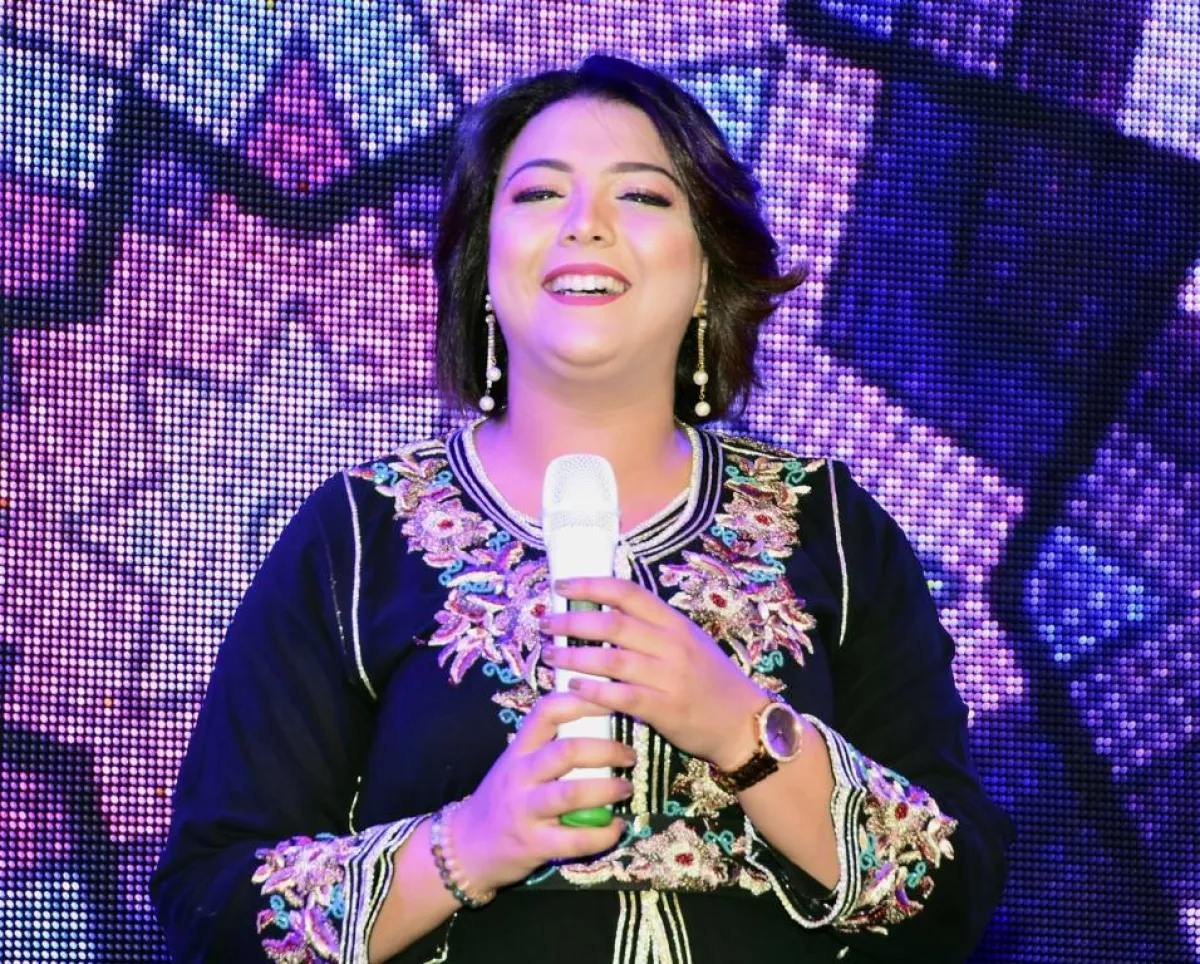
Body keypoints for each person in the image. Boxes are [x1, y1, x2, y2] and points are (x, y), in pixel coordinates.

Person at [152, 54, 1013, 963]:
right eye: (538, 194)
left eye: (640, 195)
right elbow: (212, 907)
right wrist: (468, 845)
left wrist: (741, 730)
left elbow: (956, 892)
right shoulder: (359, 536)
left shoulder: (828, 524)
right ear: (484, 267)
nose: (586, 224)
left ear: (708, 268)